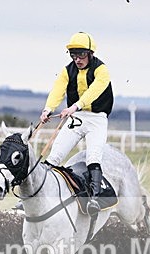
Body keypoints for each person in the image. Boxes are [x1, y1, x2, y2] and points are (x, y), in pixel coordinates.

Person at [40, 31, 114, 215]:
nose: (77, 59)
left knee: (93, 157)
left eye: (81, 55)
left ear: (90, 54)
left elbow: (94, 92)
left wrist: (75, 106)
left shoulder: (101, 70)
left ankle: (95, 200)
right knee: (54, 156)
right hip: (77, 119)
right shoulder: (67, 70)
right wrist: (47, 109)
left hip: (97, 119)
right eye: (74, 55)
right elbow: (58, 89)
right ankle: (39, 198)